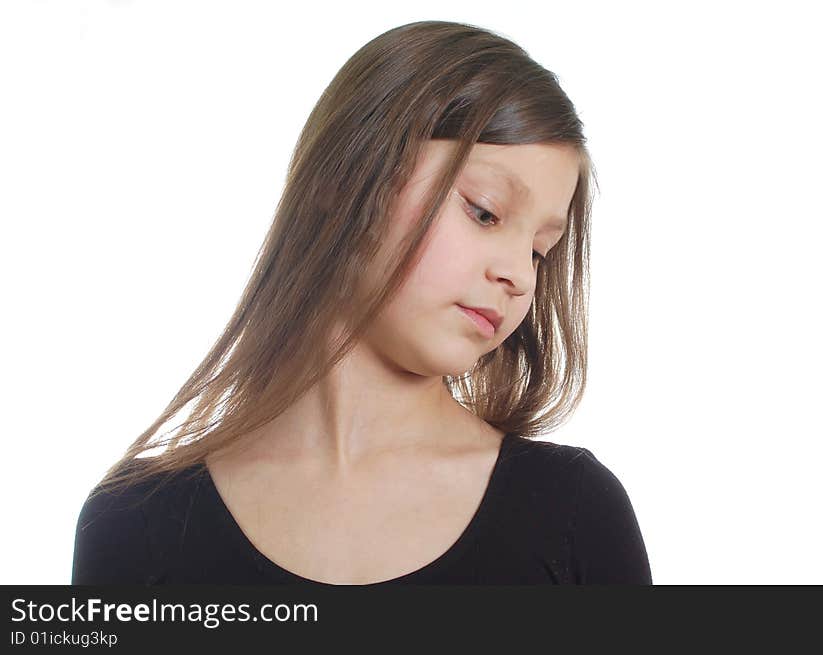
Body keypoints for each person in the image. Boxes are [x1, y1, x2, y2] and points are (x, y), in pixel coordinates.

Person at [71, 20, 652, 585]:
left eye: (539, 250)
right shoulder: (134, 523)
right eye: (484, 211)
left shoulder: (573, 516)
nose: (518, 275)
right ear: (344, 175)